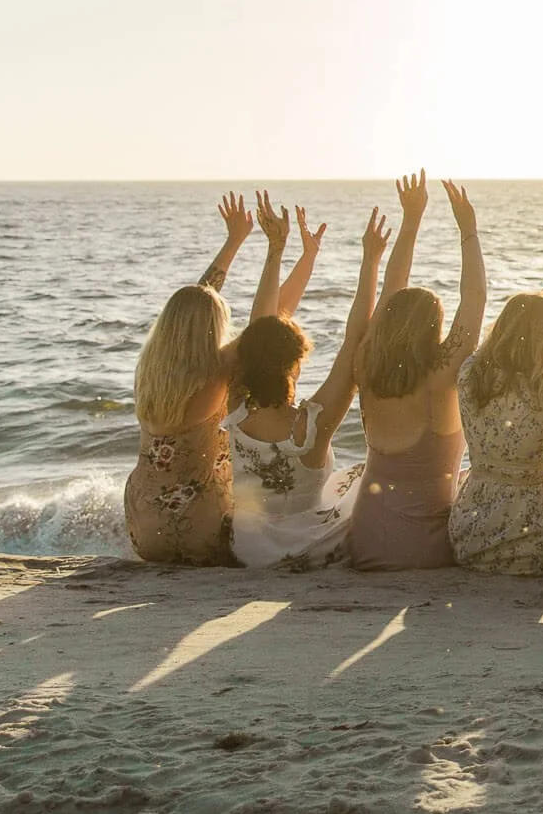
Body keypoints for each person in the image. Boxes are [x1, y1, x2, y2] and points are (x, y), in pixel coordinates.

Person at [228, 200, 389, 570]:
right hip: (309, 551)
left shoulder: (234, 407)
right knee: (361, 478)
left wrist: (277, 250)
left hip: (248, 549)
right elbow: (354, 340)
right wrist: (370, 262)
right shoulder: (314, 423)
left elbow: (260, 327)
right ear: (297, 362)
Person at [347, 172, 485, 571]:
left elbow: (391, 290)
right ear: (434, 328)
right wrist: (468, 231)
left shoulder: (366, 364)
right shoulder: (443, 376)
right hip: (425, 550)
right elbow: (474, 298)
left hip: (367, 535)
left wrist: (410, 222)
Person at [127, 191, 274, 564]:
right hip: (198, 530)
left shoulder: (150, 372)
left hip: (143, 526)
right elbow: (262, 323)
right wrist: (275, 250)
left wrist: (234, 241)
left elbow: (193, 304)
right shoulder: (217, 372)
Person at [448, 230, 543, 576]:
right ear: (540, 345)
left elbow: (517, 322)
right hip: (542, 546)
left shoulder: (471, 376)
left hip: (473, 537)